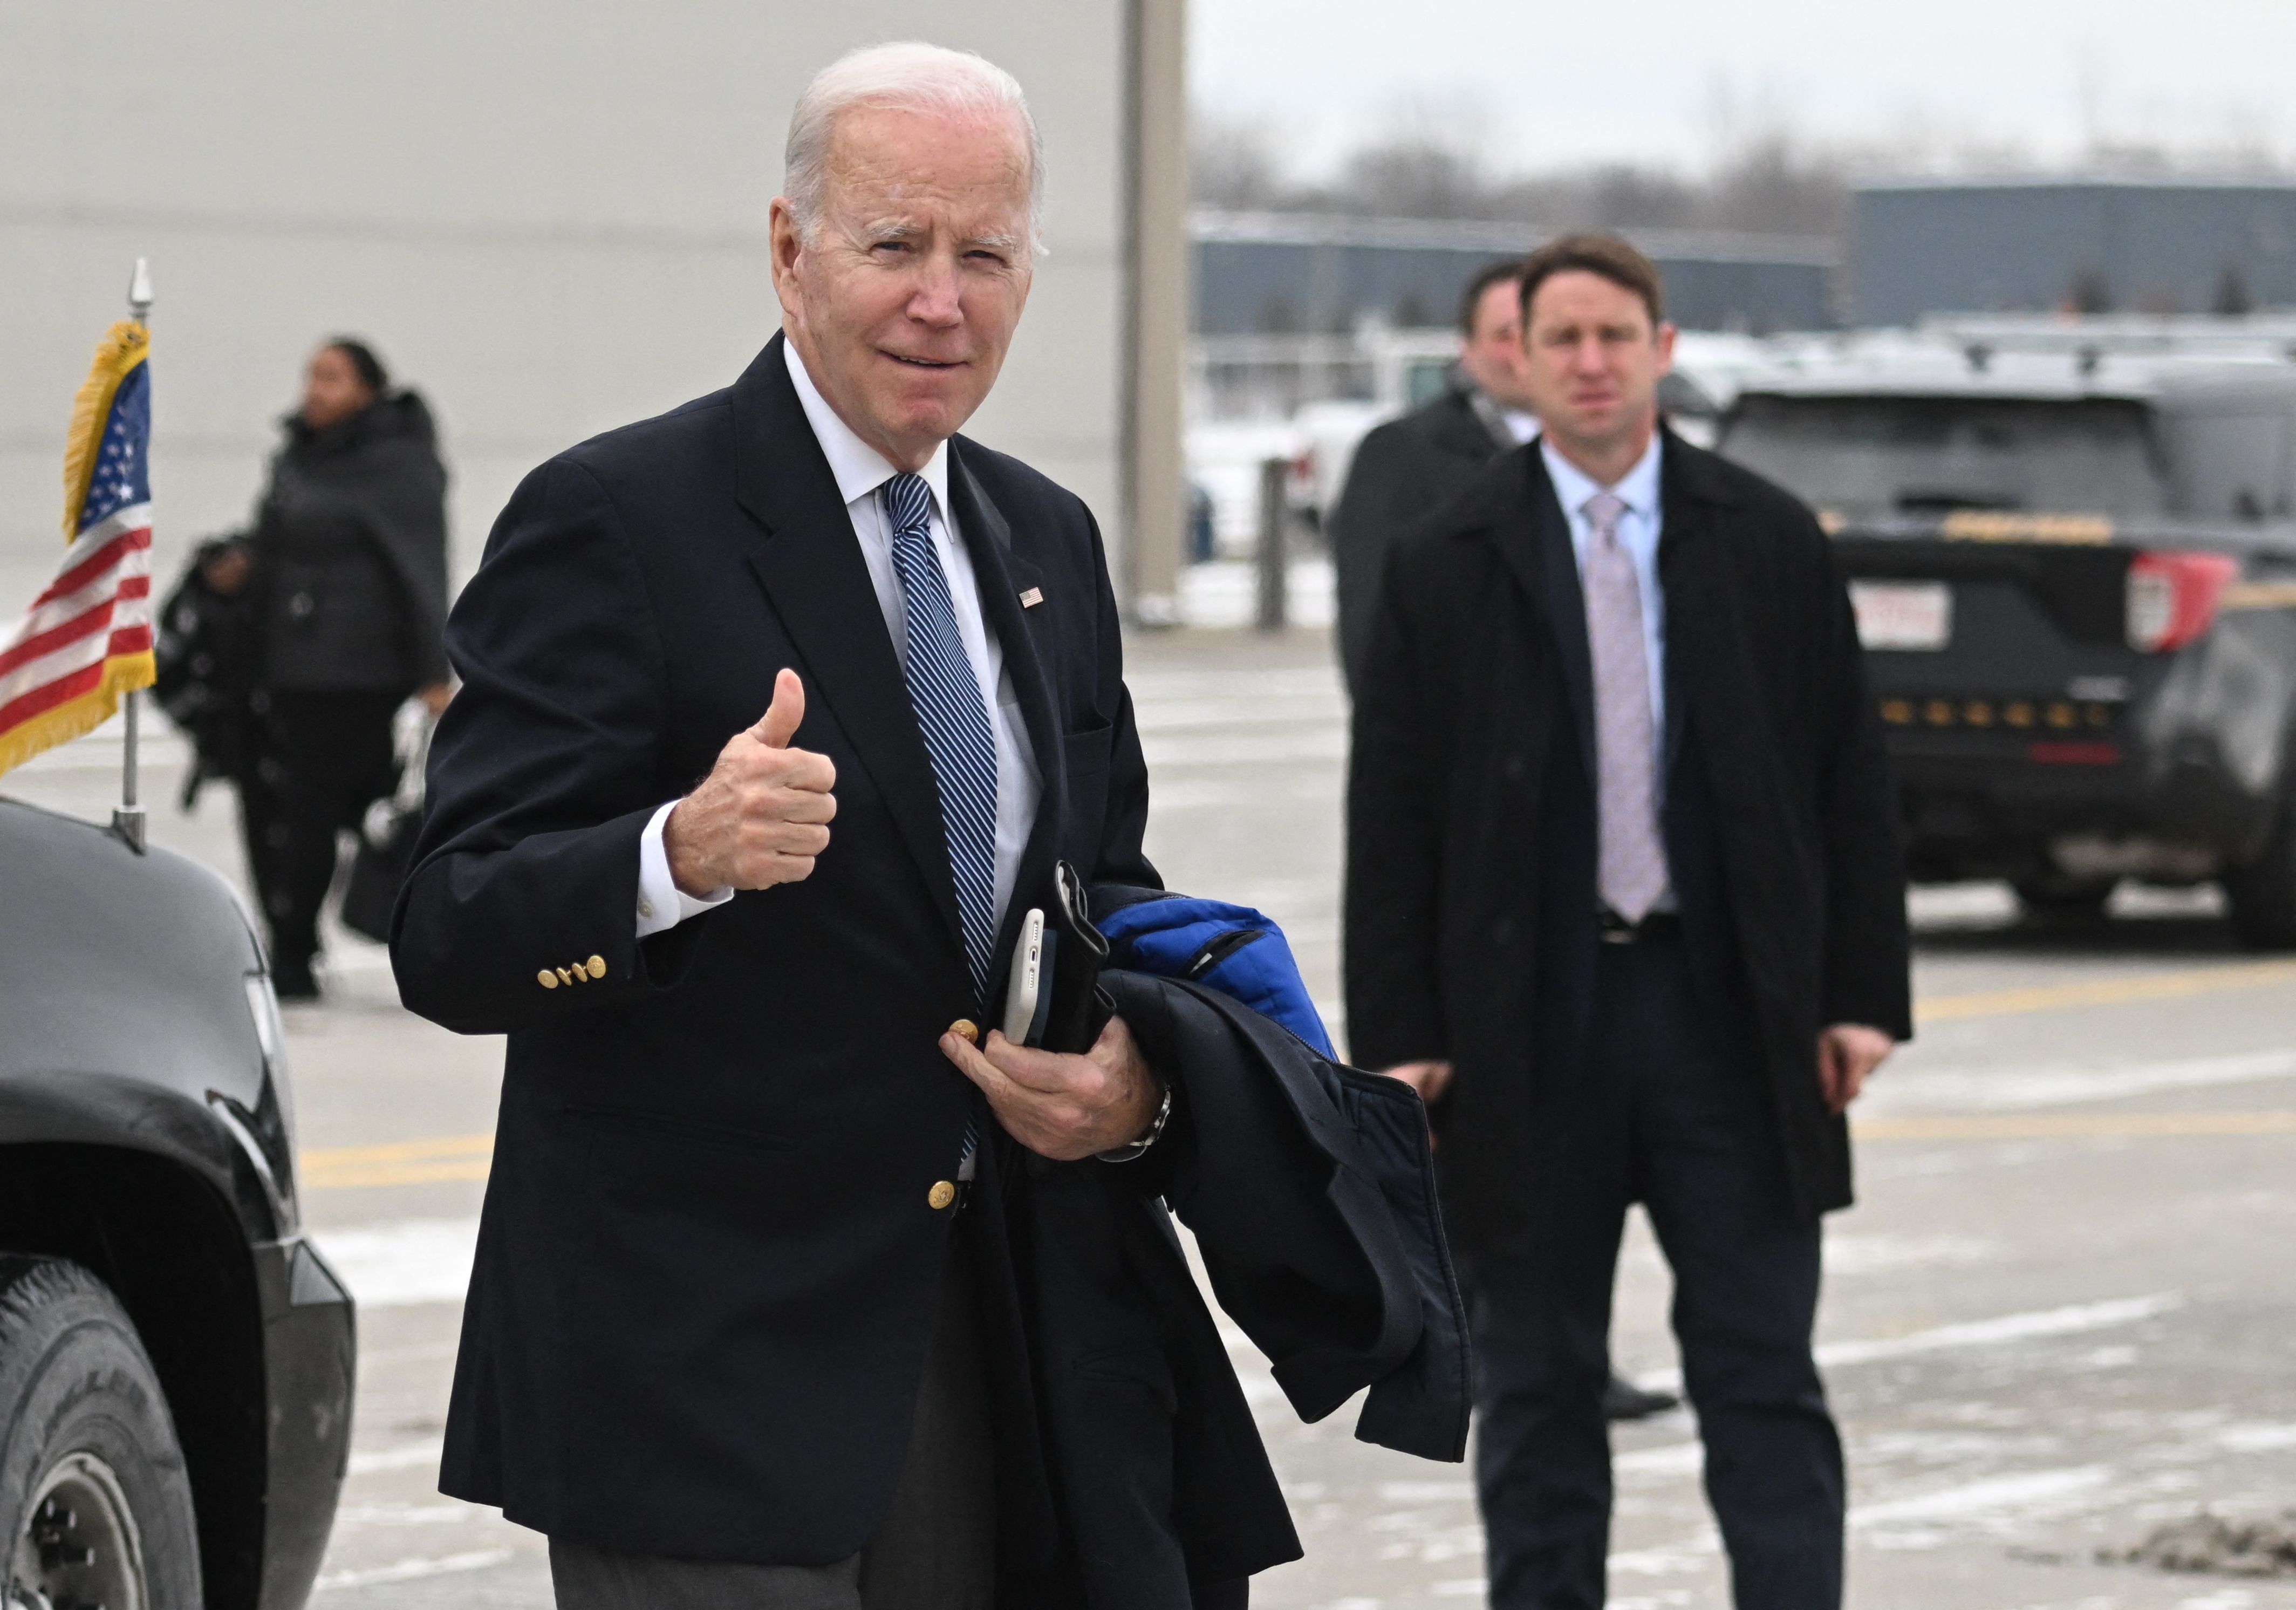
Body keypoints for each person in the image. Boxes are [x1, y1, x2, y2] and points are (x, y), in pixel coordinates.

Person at [392, 43, 1425, 1610]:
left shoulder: (1046, 543)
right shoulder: (616, 518)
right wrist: (674, 852)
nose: (941, 299)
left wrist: (1133, 1081)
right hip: (697, 1367)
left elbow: (1099, 895)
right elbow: (446, 923)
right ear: (789, 251)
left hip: (994, 1341)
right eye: (893, 245)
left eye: (984, 254)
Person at [1343, 233, 1911, 1609]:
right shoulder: (1447, 560)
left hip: (1732, 1019)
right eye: (1563, 340)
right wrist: (1404, 1040)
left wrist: (1859, 995)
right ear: (1517, 359)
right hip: (1530, 1030)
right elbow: (1395, 819)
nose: (1591, 364)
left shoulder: (1768, 540)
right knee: (1537, 1395)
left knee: (1763, 1380)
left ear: (1663, 351)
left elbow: (1850, 779)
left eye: (1617, 336)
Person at [1330, 257, 1678, 1425]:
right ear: (1498, 343)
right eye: (1523, 333)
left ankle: (1560, 1344)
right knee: (1492, 1154)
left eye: (1606, 334)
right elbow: (1373, 627)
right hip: (1464, 814)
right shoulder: (1406, 463)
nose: (1571, 361)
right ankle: (1476, 1341)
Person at [207, 338, 450, 998]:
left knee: (331, 811)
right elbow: (279, 545)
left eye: (331, 377)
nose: (314, 389)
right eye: (311, 375)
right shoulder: (299, 456)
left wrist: (436, 671)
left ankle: (314, 944)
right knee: (294, 809)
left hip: (360, 675)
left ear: (368, 389)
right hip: (287, 671)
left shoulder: (397, 464)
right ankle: (294, 945)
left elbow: (420, 567)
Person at [1329, 258, 1538, 695]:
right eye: (1504, 334)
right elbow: (1370, 630)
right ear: (1467, 348)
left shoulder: (1609, 461)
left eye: (1542, 330)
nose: (1523, 348)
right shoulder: (1399, 457)